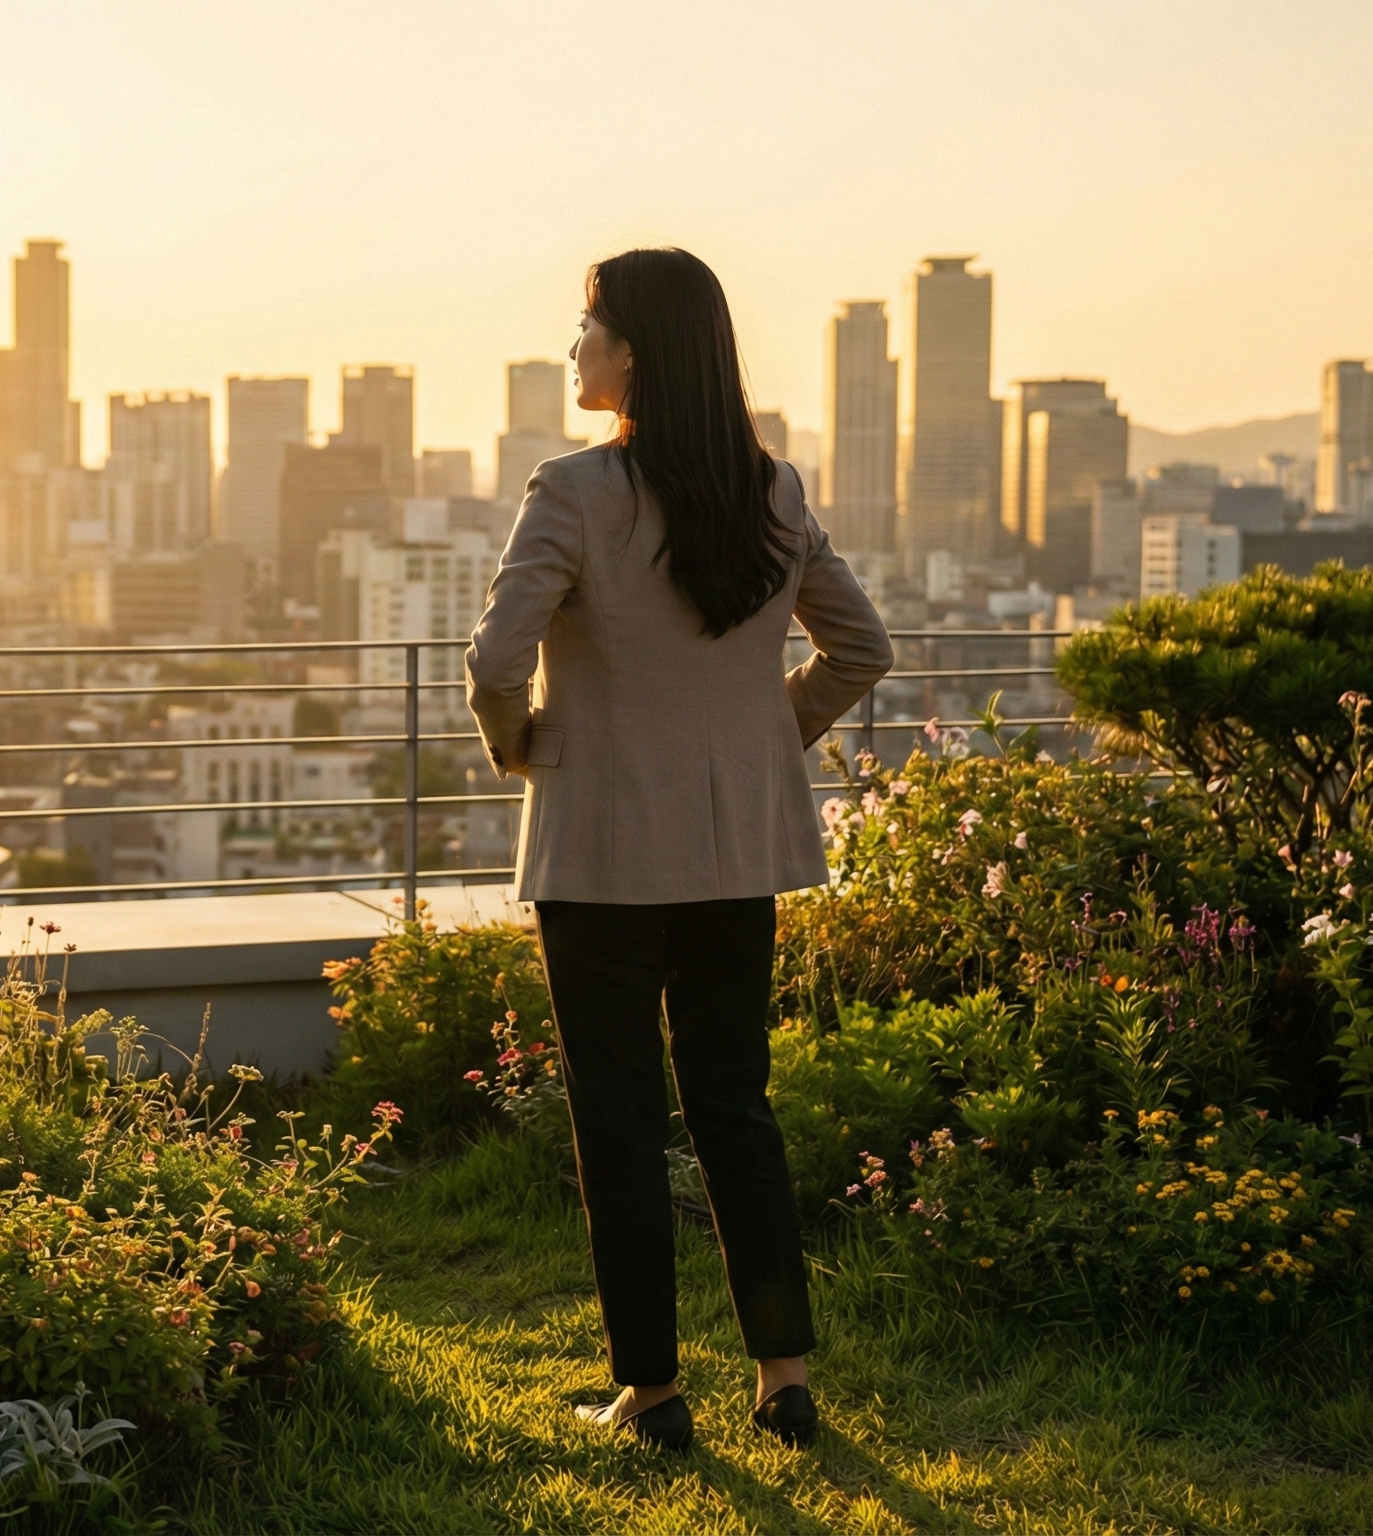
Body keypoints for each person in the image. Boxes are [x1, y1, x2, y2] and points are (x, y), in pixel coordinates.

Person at [463, 247, 893, 1453]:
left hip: (597, 853)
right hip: (733, 850)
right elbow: (859, 652)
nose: (573, 348)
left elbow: (495, 664)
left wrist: (521, 747)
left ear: (634, 349)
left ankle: (650, 1395)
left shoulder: (572, 491)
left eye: (587, 326)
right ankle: (783, 1377)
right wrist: (766, 741)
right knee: (733, 1107)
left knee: (616, 1117)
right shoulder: (773, 490)